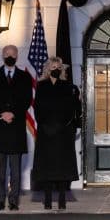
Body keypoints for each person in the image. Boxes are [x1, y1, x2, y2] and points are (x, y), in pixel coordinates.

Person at [0, 44, 34, 211]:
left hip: (16, 128)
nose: (9, 56)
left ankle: (13, 201)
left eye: (12, 54)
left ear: (17, 56)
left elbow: (27, 100)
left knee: (16, 169)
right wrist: (2, 113)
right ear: (2, 56)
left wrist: (13, 114)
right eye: (6, 53)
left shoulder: (25, 77)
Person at [31, 55, 82, 210]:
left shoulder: (68, 87)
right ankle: (47, 199)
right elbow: (37, 108)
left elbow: (72, 110)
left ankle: (61, 199)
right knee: (47, 167)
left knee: (62, 167)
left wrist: (63, 125)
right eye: (53, 67)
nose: (56, 70)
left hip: (63, 132)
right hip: (46, 132)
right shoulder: (41, 86)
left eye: (59, 68)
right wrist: (45, 125)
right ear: (47, 69)